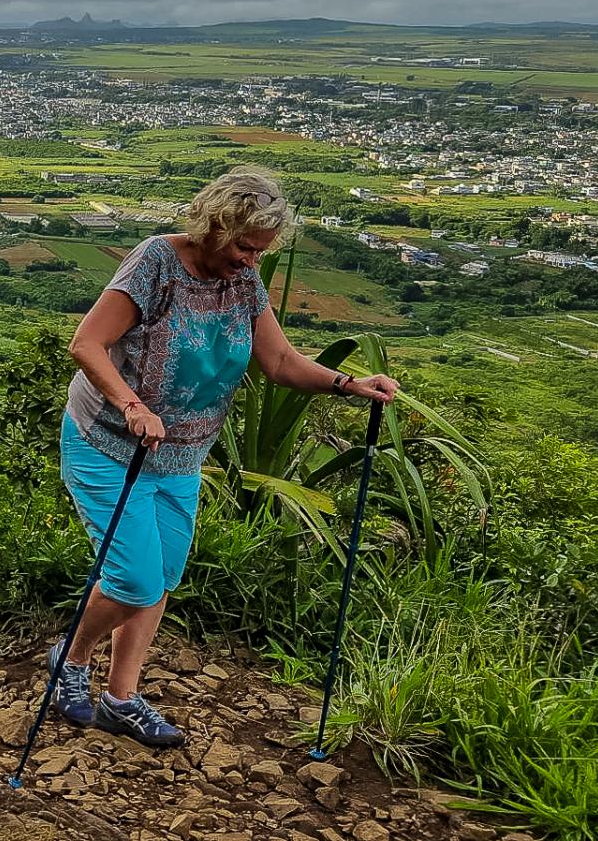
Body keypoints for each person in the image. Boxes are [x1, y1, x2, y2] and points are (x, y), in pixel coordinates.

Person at [51, 167, 398, 748]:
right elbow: (87, 343)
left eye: (260, 252)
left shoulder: (244, 281)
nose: (251, 260)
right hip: (110, 445)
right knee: (133, 578)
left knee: (162, 575)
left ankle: (121, 698)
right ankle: (72, 657)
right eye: (244, 247)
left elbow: (280, 362)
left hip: (182, 455)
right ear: (214, 227)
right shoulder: (156, 262)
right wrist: (132, 404)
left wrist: (348, 385)